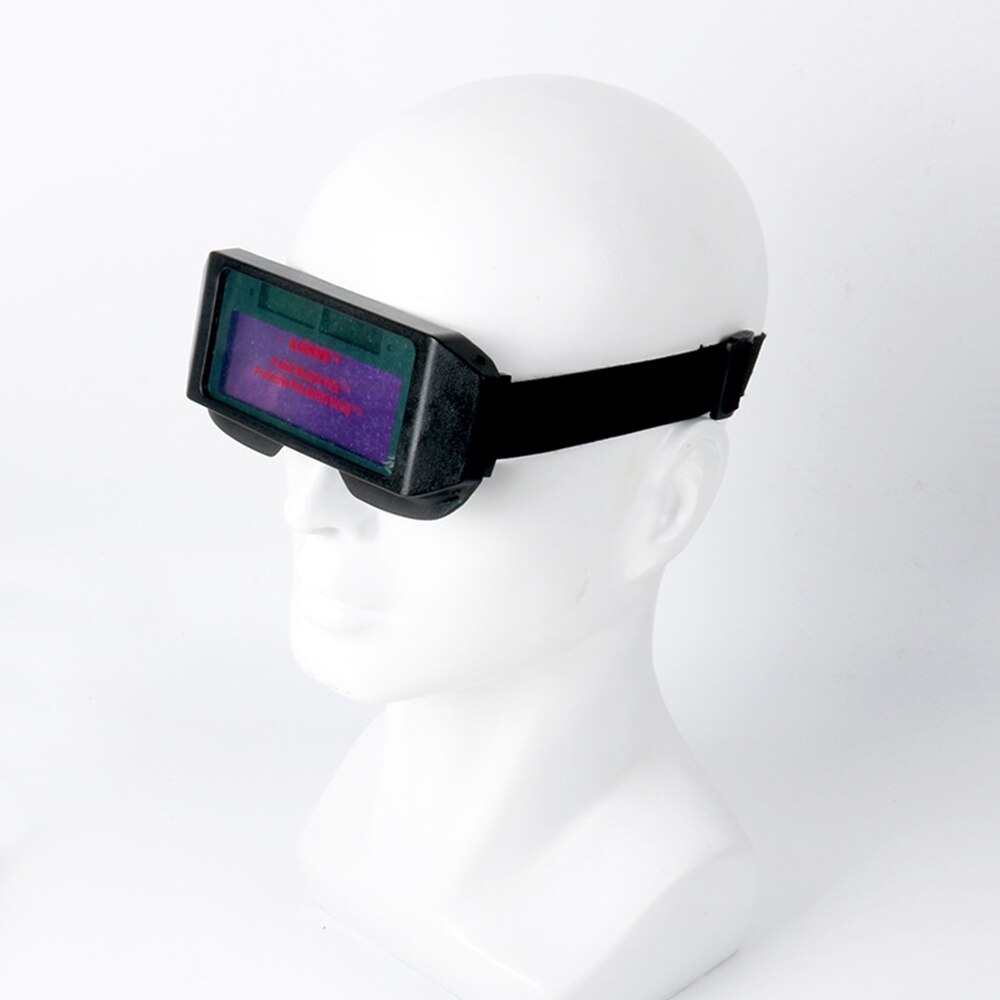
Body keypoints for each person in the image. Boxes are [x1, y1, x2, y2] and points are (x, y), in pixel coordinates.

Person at [284, 75, 767, 1000]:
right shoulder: (349, 819)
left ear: (665, 504)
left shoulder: (656, 886)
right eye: (306, 390)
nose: (307, 507)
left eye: (411, 436)